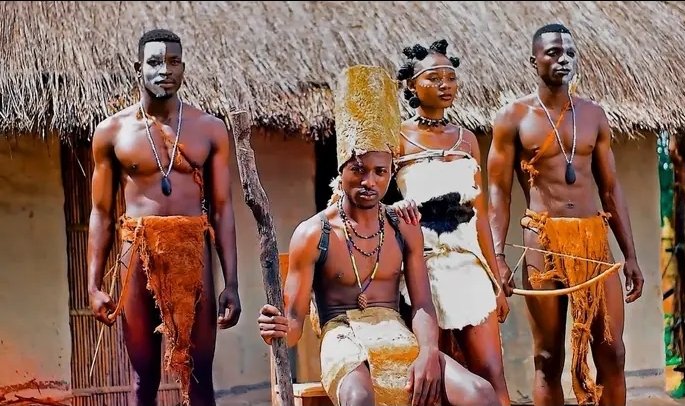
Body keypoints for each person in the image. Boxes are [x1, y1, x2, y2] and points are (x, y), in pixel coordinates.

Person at [257, 64, 499, 406]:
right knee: (359, 398)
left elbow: (422, 304)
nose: (369, 181)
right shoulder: (314, 233)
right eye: (358, 170)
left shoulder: (402, 227)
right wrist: (279, 327)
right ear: (341, 170)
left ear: (391, 173)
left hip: (398, 336)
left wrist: (428, 352)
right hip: (343, 339)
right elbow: (294, 321)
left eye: (380, 172)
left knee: (481, 393)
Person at [487, 23, 645, 406]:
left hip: (593, 241)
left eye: (570, 53)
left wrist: (630, 256)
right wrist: (498, 257)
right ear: (534, 61)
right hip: (542, 241)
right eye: (554, 52)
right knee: (547, 357)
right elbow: (498, 194)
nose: (564, 60)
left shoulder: (594, 115)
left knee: (613, 352)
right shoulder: (513, 117)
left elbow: (610, 189)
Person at [87, 29, 240, 406]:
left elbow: (222, 209)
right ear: (138, 68)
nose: (164, 70)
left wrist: (232, 282)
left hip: (193, 252)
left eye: (173, 62)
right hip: (137, 251)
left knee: (200, 376)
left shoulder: (209, 129)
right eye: (155, 62)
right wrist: (93, 284)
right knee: (144, 378)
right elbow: (101, 212)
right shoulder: (112, 132)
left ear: (183, 68)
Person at [389, 39, 510, 406]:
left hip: (469, 267)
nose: (445, 85)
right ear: (412, 85)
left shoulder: (467, 140)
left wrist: (496, 282)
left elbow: (480, 215)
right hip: (421, 270)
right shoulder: (397, 140)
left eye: (451, 77)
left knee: (491, 372)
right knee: (434, 381)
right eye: (434, 78)